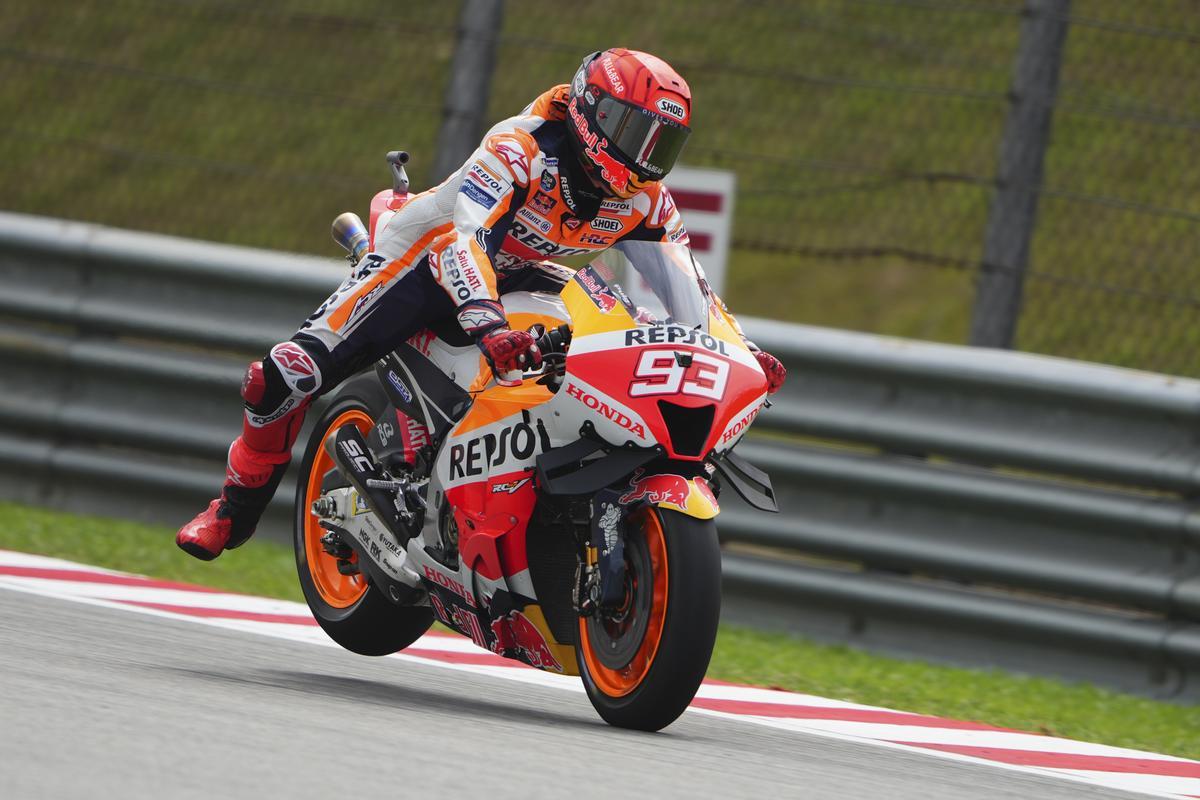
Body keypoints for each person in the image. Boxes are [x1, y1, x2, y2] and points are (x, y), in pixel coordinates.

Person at [176, 48, 787, 561]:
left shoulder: (644, 200)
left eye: (663, 145)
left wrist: (736, 350)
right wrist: (485, 319)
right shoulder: (520, 148)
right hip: (423, 261)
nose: (646, 159)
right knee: (281, 376)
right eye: (636, 135)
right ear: (591, 113)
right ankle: (233, 509)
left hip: (522, 276)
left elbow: (689, 287)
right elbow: (464, 241)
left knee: (575, 364)